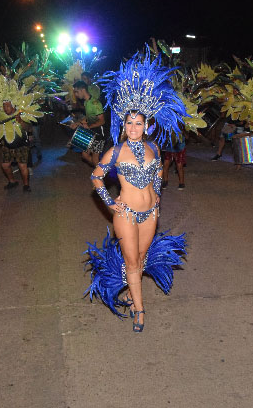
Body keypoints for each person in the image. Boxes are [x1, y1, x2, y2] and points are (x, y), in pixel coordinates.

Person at [85, 52, 187, 333]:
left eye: (138, 123)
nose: (133, 128)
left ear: (147, 125)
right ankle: (140, 309)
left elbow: (157, 174)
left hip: (150, 213)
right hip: (126, 214)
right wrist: (109, 202)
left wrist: (157, 198)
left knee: (140, 261)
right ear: (123, 124)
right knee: (131, 261)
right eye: (129, 123)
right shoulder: (116, 151)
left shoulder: (154, 148)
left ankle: (131, 292)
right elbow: (96, 176)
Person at [71, 80, 106, 167]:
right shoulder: (86, 102)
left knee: (95, 158)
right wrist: (78, 123)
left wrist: (89, 126)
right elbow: (88, 117)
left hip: (99, 133)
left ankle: (99, 175)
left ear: (83, 90)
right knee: (85, 155)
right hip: (90, 132)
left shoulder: (95, 103)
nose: (75, 94)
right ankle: (100, 172)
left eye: (76, 91)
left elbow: (102, 121)